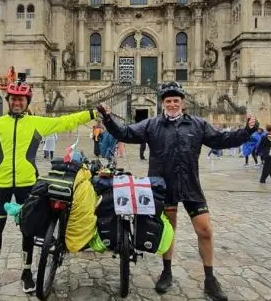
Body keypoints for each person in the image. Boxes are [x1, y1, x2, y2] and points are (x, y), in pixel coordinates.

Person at [97, 81, 257, 300]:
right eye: (168, 101)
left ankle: (210, 279)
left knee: (205, 230)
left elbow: (221, 140)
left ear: (182, 103)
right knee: (168, 231)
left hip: (190, 184)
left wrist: (247, 131)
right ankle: (167, 271)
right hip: (164, 185)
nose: (172, 104)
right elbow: (125, 133)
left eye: (176, 101)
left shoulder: (198, 124)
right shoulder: (151, 125)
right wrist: (108, 119)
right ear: (162, 103)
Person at [0, 79, 99, 295]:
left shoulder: (36, 123)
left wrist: (91, 113)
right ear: (8, 100)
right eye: (13, 98)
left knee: (28, 230)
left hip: (27, 184)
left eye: (20, 99)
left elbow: (65, 121)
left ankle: (26, 273)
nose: (16, 102)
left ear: (27, 101)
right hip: (1, 184)